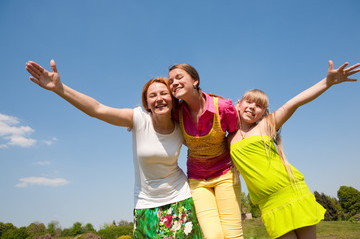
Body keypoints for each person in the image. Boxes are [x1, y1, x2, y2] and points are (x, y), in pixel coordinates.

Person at [25, 60, 202, 239]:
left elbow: (205, 144)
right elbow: (97, 109)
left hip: (181, 199)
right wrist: (59, 88)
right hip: (146, 204)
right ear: (147, 104)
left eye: (164, 93)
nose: (159, 99)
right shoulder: (138, 119)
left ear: (173, 99)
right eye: (153, 95)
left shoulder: (181, 127)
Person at [228, 60, 360, 239]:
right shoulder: (228, 139)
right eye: (249, 102)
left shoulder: (265, 127)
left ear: (263, 112)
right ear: (238, 104)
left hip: (292, 192)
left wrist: (327, 82)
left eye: (259, 106)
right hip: (269, 204)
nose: (252, 107)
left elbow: (294, 103)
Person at [168, 64, 243, 239]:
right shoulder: (176, 113)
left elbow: (235, 132)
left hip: (225, 175)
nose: (174, 83)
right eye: (171, 81)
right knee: (213, 236)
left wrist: (236, 161)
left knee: (232, 234)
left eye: (179, 77)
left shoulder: (223, 107)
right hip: (197, 180)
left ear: (195, 80)